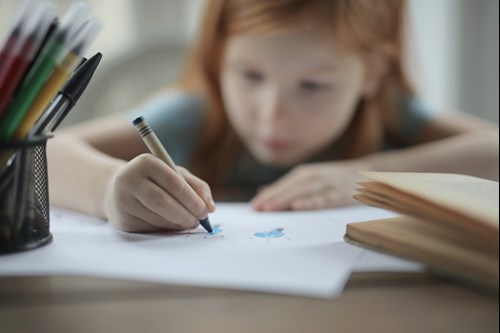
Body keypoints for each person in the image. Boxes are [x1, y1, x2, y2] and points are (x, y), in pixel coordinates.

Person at [47, 0, 499, 233]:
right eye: (250, 75)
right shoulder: (198, 113)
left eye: (312, 86)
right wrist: (108, 190)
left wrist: (366, 178)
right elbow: (40, 152)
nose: (272, 115)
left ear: (372, 73)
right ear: (220, 57)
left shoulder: (389, 115)